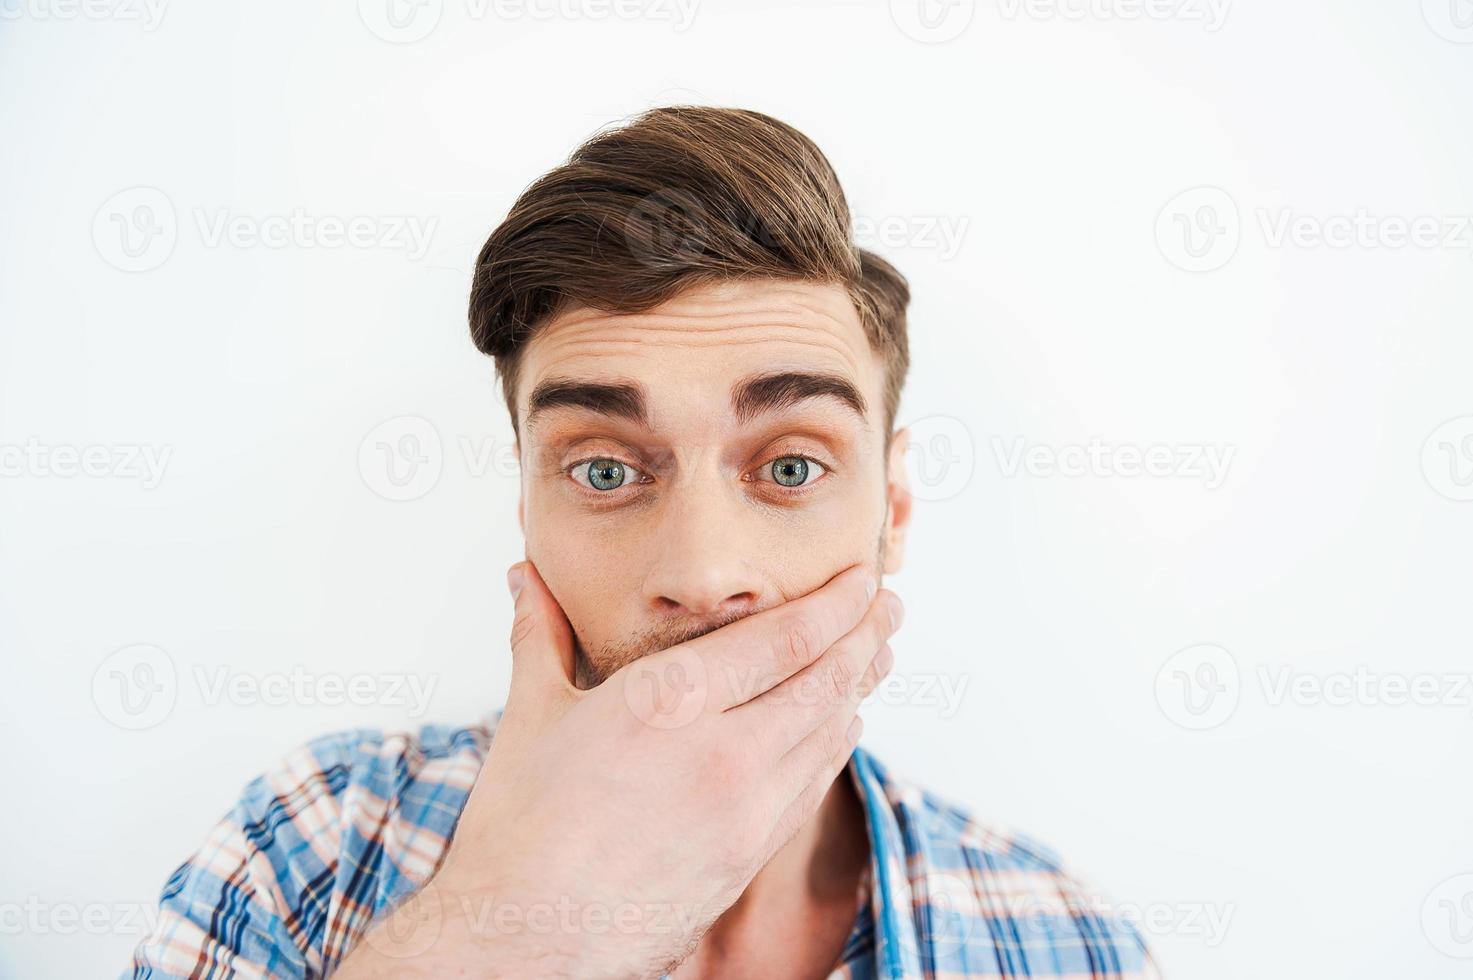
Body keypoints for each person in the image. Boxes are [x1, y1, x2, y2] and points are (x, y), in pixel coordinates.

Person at [125, 106, 1158, 979]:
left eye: (790, 466)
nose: (704, 577)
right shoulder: (312, 847)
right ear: (526, 504)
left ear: (890, 512)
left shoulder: (1066, 939)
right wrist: (514, 923)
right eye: (607, 469)